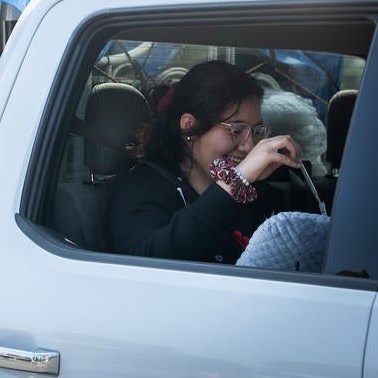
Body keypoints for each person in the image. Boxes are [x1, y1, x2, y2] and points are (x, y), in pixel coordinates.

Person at [109, 60, 303, 264]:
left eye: (255, 131)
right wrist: (235, 182)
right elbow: (148, 265)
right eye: (236, 131)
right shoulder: (141, 187)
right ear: (189, 126)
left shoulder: (256, 194)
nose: (249, 146)